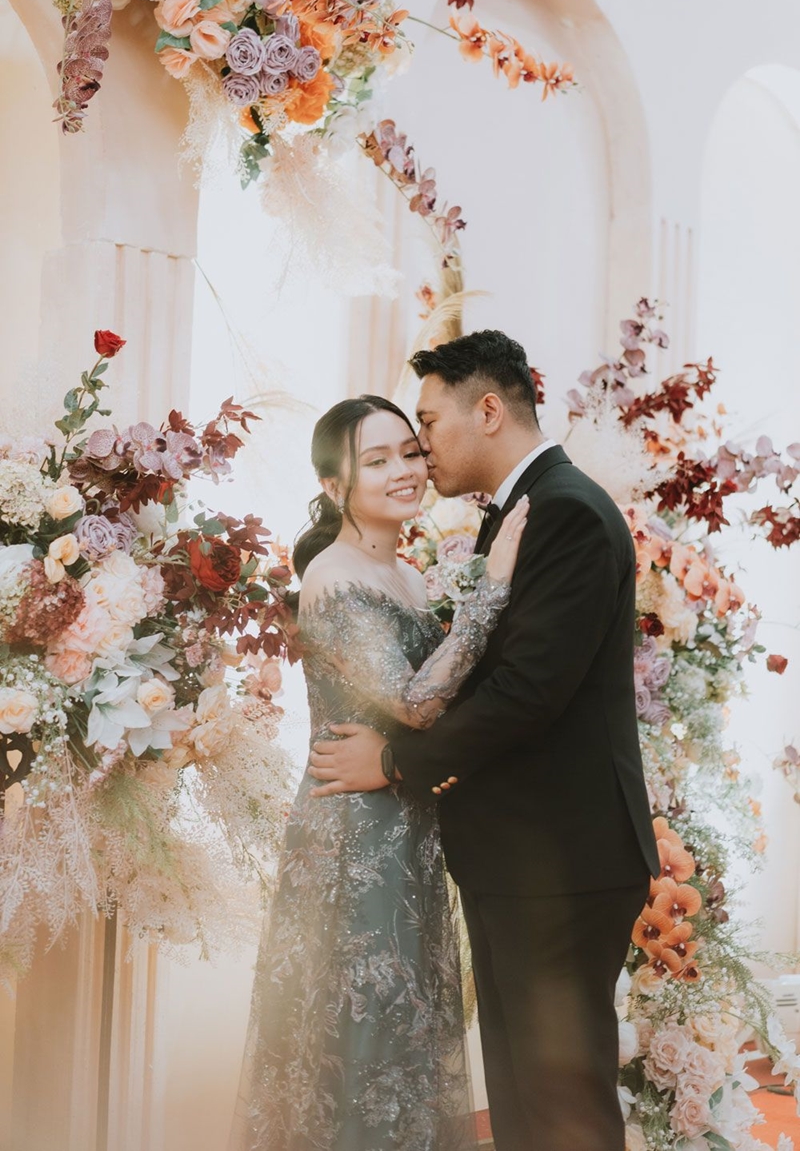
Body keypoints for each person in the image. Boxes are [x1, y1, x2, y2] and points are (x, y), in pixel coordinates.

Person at [308, 331, 661, 1151]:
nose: (422, 449)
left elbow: (527, 692)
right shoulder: (525, 510)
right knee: (526, 1105)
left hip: (561, 865)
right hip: (527, 859)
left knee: (562, 1108)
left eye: (428, 425)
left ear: (490, 410)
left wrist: (393, 762)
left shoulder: (564, 511)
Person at [229, 393, 529, 1151]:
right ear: (334, 485)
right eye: (377, 460)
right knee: (363, 1030)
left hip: (403, 816)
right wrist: (492, 589)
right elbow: (416, 703)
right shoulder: (333, 577)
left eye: (410, 452)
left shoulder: (408, 576)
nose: (404, 470)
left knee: (407, 1029)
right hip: (353, 834)